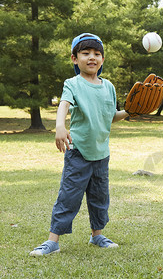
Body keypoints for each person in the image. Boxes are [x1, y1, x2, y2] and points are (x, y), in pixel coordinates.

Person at [30, 33, 129, 256]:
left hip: (101, 153)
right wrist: (60, 126)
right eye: (85, 53)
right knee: (69, 196)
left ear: (102, 59)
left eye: (97, 54)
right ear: (75, 59)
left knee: (100, 198)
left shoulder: (109, 87)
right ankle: (53, 241)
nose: (92, 57)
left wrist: (131, 112)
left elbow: (111, 116)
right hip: (79, 152)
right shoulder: (72, 84)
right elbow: (64, 104)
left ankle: (97, 235)